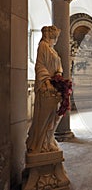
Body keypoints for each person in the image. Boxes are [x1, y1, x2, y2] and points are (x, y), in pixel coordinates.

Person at [26, 25, 63, 153]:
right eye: (55, 35)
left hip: (54, 86)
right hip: (46, 87)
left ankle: (49, 139)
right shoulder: (43, 46)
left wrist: (58, 74)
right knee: (43, 117)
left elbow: (58, 67)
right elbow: (40, 66)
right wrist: (47, 81)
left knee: (54, 115)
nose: (56, 38)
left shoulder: (53, 50)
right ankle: (39, 144)